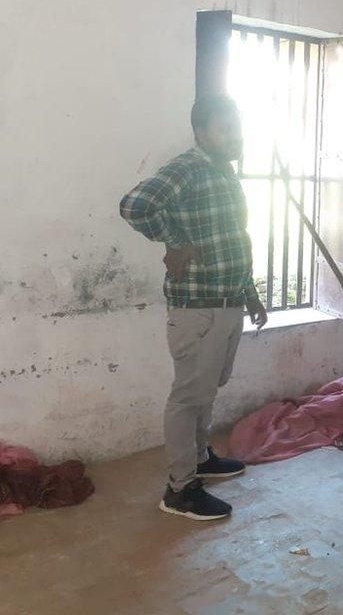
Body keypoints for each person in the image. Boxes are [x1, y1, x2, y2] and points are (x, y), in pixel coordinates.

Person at [120, 95, 267, 521]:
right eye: (224, 128)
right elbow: (134, 205)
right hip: (197, 308)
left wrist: (249, 293)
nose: (233, 135)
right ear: (201, 132)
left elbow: (232, 241)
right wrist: (174, 240)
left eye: (236, 126)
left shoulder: (223, 172)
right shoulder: (187, 167)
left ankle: (201, 457)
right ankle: (180, 488)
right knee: (187, 397)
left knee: (207, 388)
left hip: (226, 302)